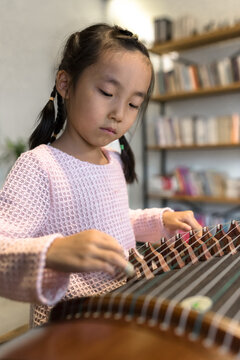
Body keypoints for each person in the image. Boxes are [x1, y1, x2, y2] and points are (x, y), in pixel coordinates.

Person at [0, 23, 201, 328]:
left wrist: (159, 221)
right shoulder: (38, 167)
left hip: (120, 309)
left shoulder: (114, 159)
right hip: (68, 327)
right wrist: (54, 251)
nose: (120, 113)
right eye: (107, 92)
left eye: (134, 104)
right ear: (65, 85)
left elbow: (113, 223)